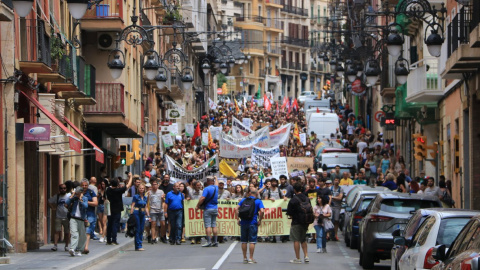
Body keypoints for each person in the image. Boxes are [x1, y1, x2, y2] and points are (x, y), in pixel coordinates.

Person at [236, 188, 264, 264]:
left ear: (249, 193)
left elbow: (236, 209)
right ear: (257, 194)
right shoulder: (258, 201)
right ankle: (251, 258)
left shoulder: (243, 200)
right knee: (252, 241)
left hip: (244, 222)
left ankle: (245, 258)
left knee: (244, 241)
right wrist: (260, 220)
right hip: (253, 222)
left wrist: (237, 219)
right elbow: (262, 211)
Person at [105, 173, 133, 245]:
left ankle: (108, 239)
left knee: (109, 224)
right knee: (115, 224)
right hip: (117, 209)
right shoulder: (118, 190)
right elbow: (128, 185)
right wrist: (131, 177)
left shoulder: (108, 190)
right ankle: (114, 240)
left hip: (109, 209)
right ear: (117, 184)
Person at [286, 182, 310, 264]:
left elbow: (289, 212)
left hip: (296, 221)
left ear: (294, 190)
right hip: (305, 221)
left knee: (296, 239)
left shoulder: (293, 200)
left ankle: (298, 258)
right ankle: (306, 256)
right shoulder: (307, 198)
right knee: (303, 239)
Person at [195, 176, 219, 247]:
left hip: (208, 208)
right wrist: (216, 178)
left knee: (208, 225)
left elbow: (203, 198)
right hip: (215, 208)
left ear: (208, 181)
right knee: (214, 225)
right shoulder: (216, 188)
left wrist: (197, 206)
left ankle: (208, 241)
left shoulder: (206, 189)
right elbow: (217, 184)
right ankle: (215, 241)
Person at [66, 186, 89, 257]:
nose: (77, 195)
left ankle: (80, 250)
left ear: (81, 193)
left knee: (82, 236)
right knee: (74, 234)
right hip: (73, 218)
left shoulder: (85, 198)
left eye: (78, 193)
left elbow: (85, 206)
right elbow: (66, 203)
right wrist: (72, 196)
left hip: (81, 219)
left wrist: (80, 199)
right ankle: (72, 249)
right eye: (76, 193)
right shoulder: (74, 198)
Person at [47, 184, 71, 252]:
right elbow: (48, 201)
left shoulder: (69, 196)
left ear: (66, 189)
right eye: (61, 188)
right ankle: (55, 245)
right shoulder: (57, 196)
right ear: (59, 189)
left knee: (67, 232)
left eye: (64, 188)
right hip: (58, 216)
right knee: (57, 231)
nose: (63, 189)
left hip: (67, 217)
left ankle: (66, 246)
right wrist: (52, 207)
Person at [130, 183, 150, 251]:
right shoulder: (136, 197)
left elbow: (146, 207)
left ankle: (140, 244)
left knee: (142, 229)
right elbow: (132, 205)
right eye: (140, 188)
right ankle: (138, 245)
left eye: (142, 188)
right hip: (136, 213)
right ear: (138, 189)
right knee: (138, 229)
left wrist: (148, 215)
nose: (141, 189)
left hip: (142, 213)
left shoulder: (145, 197)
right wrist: (131, 214)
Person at [81, 179, 97, 254]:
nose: (84, 187)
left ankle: (86, 247)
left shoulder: (91, 192)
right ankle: (81, 246)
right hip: (80, 214)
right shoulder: (78, 192)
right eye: (83, 185)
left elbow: (95, 203)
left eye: (86, 185)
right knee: (81, 231)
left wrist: (86, 202)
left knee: (87, 230)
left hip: (89, 214)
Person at [147, 180, 165, 244]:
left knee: (163, 223)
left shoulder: (161, 192)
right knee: (153, 224)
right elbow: (147, 202)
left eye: (155, 184)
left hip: (160, 209)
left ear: (157, 185)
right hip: (153, 209)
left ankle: (162, 236)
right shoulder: (149, 192)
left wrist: (163, 208)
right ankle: (153, 238)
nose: (154, 186)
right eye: (153, 184)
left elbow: (163, 201)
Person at [330, 177, 344, 241]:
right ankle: (329, 234)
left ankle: (335, 234)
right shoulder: (330, 188)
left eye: (338, 180)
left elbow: (340, 198)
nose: (336, 181)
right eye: (335, 180)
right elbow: (328, 196)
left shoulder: (340, 189)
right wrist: (336, 197)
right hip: (331, 206)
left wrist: (332, 197)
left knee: (336, 220)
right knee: (330, 220)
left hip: (337, 207)